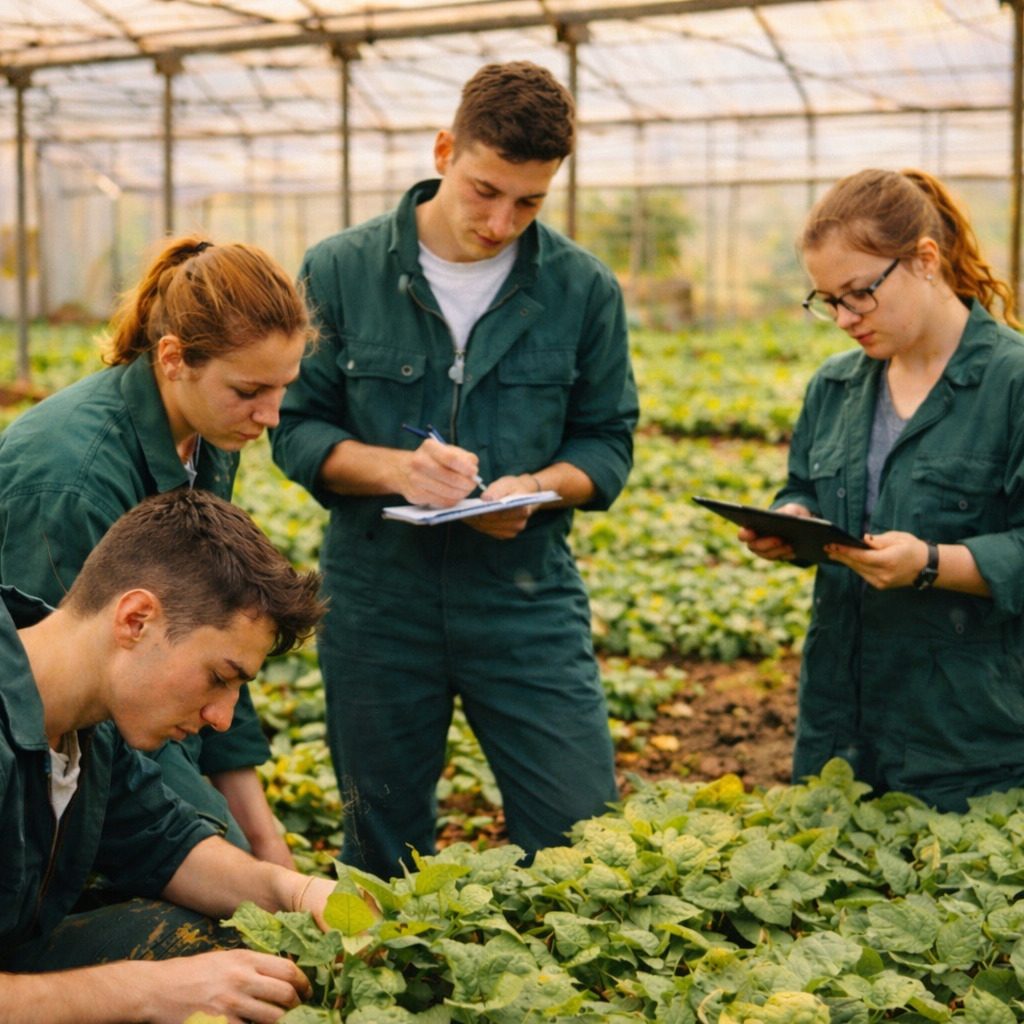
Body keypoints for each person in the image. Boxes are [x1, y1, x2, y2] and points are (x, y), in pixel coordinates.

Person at [271, 60, 638, 878]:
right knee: (382, 845)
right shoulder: (340, 270)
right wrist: (399, 471)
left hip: (525, 599)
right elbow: (295, 430)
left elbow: (607, 443)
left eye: (530, 201)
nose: (503, 220)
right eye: (485, 190)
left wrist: (539, 490)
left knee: (580, 839)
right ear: (445, 150)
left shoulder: (582, 289)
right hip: (378, 600)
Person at [0, 235, 313, 866]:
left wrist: (262, 835)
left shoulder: (208, 435)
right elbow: (74, 703)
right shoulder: (72, 480)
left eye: (283, 388)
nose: (271, 415)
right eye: (250, 390)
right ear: (173, 358)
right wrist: (212, 839)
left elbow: (221, 637)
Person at [742, 167, 1024, 811]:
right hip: (838, 734)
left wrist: (928, 564)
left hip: (967, 747)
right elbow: (807, 486)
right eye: (826, 300)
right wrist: (792, 520)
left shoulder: (1012, 385)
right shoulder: (836, 387)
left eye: (857, 293)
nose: (843, 318)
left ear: (925, 260)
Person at [0, 488, 338, 1024]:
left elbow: (165, 846)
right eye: (219, 678)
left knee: (229, 953)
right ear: (136, 619)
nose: (222, 719)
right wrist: (151, 990)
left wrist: (295, 891)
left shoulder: (88, 725)